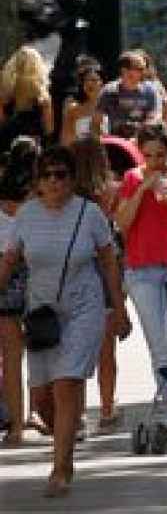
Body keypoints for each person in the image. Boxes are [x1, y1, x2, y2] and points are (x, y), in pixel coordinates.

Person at [0, 144, 129, 498]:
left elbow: (109, 262)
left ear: (72, 180)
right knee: (41, 399)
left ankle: (61, 467)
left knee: (66, 384)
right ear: (38, 181)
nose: (54, 182)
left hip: (84, 308)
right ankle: (65, 437)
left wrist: (118, 310)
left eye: (61, 174)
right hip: (42, 314)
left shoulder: (89, 214)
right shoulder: (26, 216)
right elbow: (9, 260)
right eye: (47, 175)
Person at [112, 124, 167, 419]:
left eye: (160, 155)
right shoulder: (132, 178)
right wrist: (141, 189)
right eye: (148, 156)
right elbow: (122, 224)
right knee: (156, 340)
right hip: (142, 269)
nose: (154, 162)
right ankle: (166, 395)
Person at [69, 135, 122, 434]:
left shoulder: (68, 196)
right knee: (106, 348)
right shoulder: (109, 193)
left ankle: (76, 414)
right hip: (106, 268)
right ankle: (106, 406)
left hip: (77, 268)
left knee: (75, 347)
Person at [0, 138, 34, 447]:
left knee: (10, 357)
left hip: (5, 282)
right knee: (32, 353)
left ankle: (15, 422)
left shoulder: (4, 206)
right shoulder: (39, 205)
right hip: (34, 281)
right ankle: (26, 417)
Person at [97, 50, 164, 138]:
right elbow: (96, 122)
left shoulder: (150, 91)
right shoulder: (109, 91)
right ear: (124, 71)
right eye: (140, 69)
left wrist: (140, 131)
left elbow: (155, 117)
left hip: (141, 144)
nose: (144, 72)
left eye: (144, 68)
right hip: (116, 143)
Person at [0, 46, 55, 149]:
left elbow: (1, 120)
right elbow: (49, 129)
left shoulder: (6, 90)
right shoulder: (42, 94)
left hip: (8, 139)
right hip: (34, 141)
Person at [60, 61, 105, 145]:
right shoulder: (73, 110)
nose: (89, 83)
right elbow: (66, 140)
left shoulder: (111, 106)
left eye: (94, 80)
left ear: (102, 83)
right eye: (86, 81)